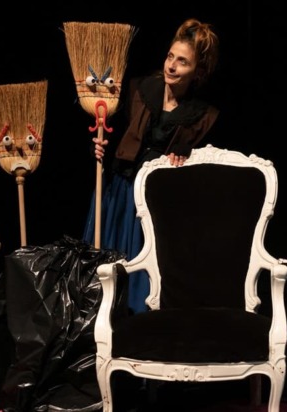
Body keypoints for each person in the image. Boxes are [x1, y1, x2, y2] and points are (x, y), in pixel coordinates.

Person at [82, 18, 221, 313]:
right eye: (170, 56)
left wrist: (186, 158)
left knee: (140, 271)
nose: (172, 66)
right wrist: (101, 146)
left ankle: (136, 321)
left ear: (198, 71)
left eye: (183, 62)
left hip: (153, 203)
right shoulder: (139, 90)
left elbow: (206, 172)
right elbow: (114, 134)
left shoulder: (202, 116)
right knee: (106, 259)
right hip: (119, 190)